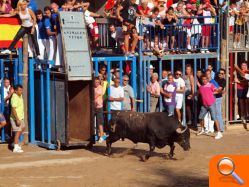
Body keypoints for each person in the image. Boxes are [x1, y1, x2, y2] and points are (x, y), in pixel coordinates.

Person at [197, 75, 223, 139]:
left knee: (214, 118)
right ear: (201, 80)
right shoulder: (201, 87)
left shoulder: (211, 85)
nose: (204, 80)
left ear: (207, 80)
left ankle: (219, 133)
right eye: (203, 79)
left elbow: (216, 90)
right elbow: (198, 93)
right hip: (204, 105)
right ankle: (203, 130)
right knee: (200, 117)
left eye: (205, 79)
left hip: (211, 104)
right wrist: (192, 96)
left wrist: (219, 90)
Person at [10, 85, 25, 153]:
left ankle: (14, 143)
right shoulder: (14, 97)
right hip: (15, 118)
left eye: (21, 90)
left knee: (23, 128)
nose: (21, 91)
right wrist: (17, 119)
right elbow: (13, 109)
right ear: (16, 91)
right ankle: (15, 148)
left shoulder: (20, 95)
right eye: (20, 90)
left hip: (21, 117)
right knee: (18, 131)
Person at [234, 64, 249, 129]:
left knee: (246, 104)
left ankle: (246, 117)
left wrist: (239, 81)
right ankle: (243, 117)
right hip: (240, 89)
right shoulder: (237, 71)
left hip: (246, 89)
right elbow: (235, 80)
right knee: (241, 103)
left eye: (245, 65)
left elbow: (246, 81)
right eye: (242, 65)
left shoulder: (247, 72)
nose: (243, 66)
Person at [94, 77, 107, 143]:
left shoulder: (100, 88)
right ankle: (95, 135)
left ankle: (102, 136)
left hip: (99, 107)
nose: (97, 83)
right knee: (93, 122)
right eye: (96, 82)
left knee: (100, 122)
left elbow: (94, 96)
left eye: (98, 82)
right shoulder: (93, 88)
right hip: (93, 107)